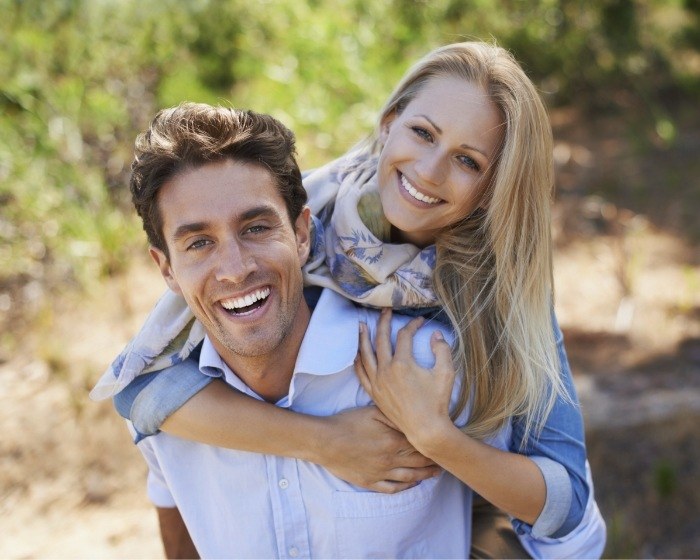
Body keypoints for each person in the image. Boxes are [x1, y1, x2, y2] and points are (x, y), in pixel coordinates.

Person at [92, 42, 606, 557]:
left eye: (467, 161)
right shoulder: (313, 221)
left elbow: (570, 509)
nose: (428, 171)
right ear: (389, 124)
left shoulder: (496, 303)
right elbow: (139, 392)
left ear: (498, 185)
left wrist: (435, 437)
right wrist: (326, 442)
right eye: (423, 133)